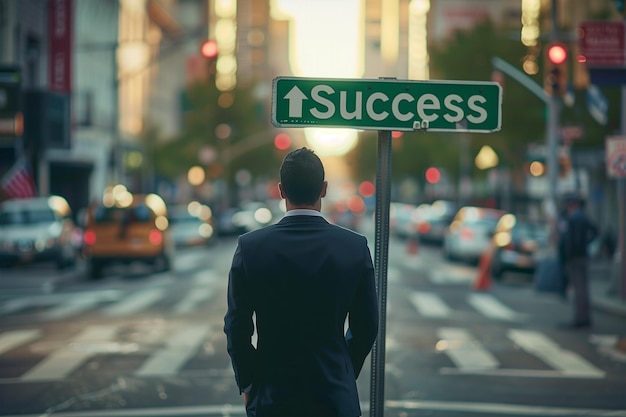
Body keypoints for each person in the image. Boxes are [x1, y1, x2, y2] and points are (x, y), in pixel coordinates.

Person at [224, 147, 379, 417]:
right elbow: (367, 326)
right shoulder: (354, 247)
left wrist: (248, 382)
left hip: (272, 397)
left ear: (281, 191)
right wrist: (343, 370)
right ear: (324, 188)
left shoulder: (250, 247)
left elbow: (237, 327)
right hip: (335, 397)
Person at [559, 194, 598, 329]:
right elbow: (594, 231)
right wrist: (586, 243)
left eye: (570, 205)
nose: (568, 207)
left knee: (579, 289)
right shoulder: (579, 217)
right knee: (582, 289)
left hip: (576, 257)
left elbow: (594, 231)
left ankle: (581, 319)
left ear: (575, 205)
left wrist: (581, 245)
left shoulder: (576, 218)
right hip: (580, 256)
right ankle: (583, 318)